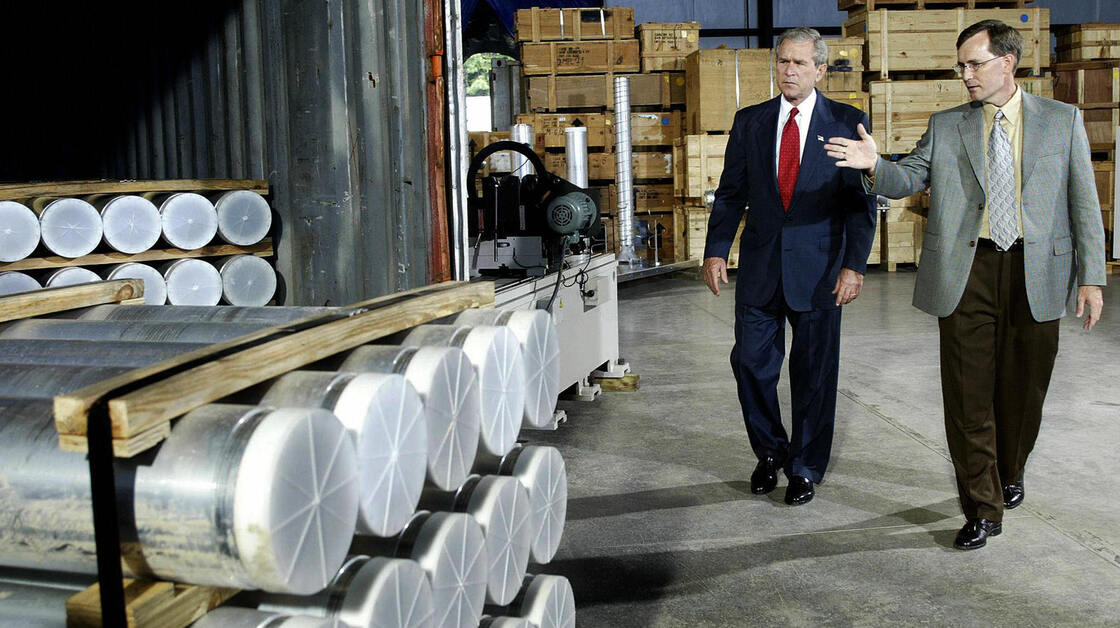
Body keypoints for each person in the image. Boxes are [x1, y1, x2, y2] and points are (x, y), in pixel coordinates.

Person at [825, 19, 1106, 549]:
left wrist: (1091, 278)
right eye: (961, 65)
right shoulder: (948, 124)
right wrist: (873, 166)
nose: (966, 75)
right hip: (967, 272)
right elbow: (910, 176)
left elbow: (1083, 204)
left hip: (1037, 271)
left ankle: (1009, 469)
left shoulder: (1061, 121)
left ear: (1007, 62)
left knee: (1024, 394)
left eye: (974, 63)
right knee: (968, 396)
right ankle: (982, 505)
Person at [703, 27, 877, 506]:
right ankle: (770, 452)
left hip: (821, 271)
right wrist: (716, 249)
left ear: (821, 69)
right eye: (783, 62)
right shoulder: (751, 121)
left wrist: (853, 266)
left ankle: (805, 467)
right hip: (760, 268)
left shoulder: (847, 121)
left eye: (801, 63)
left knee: (814, 374)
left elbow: (861, 203)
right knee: (752, 366)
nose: (790, 71)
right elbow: (731, 192)